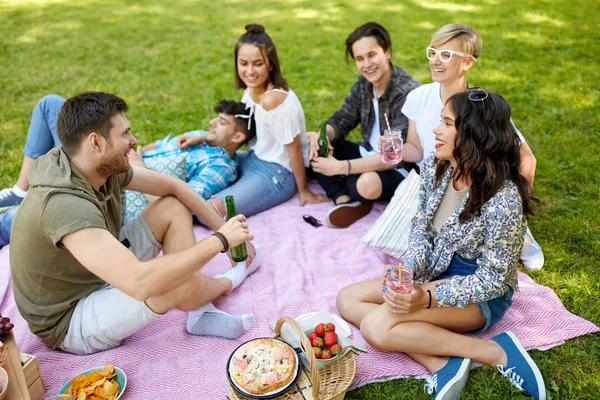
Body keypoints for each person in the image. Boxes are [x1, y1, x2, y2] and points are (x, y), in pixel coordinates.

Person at [10, 91, 261, 355]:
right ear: (96, 142)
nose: (134, 141)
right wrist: (221, 241)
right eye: (125, 134)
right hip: (70, 317)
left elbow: (173, 186)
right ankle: (231, 279)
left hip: (96, 272)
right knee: (174, 282)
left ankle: (198, 310)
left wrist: (220, 227)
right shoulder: (65, 205)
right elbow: (141, 283)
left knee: (172, 207)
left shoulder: (92, 165)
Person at [337, 91, 546, 400]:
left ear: (475, 135)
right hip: (435, 273)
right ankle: (443, 360)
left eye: (447, 123)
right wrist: (409, 271)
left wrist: (427, 297)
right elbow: (421, 229)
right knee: (347, 298)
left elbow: (492, 280)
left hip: (480, 295)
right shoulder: (439, 168)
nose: (435, 130)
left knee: (376, 328)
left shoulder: (504, 200)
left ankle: (494, 350)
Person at [387, 23, 543, 269]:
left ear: (468, 63)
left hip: (474, 193)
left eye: (446, 55)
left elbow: (527, 160)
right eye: (433, 52)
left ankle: (522, 235)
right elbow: (415, 149)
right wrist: (392, 151)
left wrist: (514, 215)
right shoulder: (417, 97)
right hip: (435, 189)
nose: (436, 61)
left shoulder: (482, 107)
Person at [0, 96, 255, 247]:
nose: (211, 123)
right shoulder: (199, 137)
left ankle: (16, 211)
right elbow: (150, 146)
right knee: (50, 104)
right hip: (113, 164)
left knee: (16, 221)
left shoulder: (220, 167)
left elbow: (183, 202)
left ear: (237, 136)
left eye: (221, 123)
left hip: (117, 179)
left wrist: (137, 162)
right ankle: (21, 191)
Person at [307, 21, 420, 228]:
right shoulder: (363, 84)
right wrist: (321, 137)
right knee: (310, 148)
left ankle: (347, 191)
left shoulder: (407, 92)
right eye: (360, 59)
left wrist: (341, 167)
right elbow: (342, 120)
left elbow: (393, 158)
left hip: (400, 168)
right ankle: (345, 199)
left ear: (387, 52)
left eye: (372, 55)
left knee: (367, 184)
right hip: (367, 153)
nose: (366, 64)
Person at [209, 24, 328, 219]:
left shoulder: (272, 100)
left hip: (277, 173)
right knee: (202, 152)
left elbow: (295, 149)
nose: (250, 71)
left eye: (258, 63)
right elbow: (243, 129)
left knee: (213, 209)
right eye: (243, 63)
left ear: (271, 64)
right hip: (253, 158)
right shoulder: (251, 90)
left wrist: (304, 190)